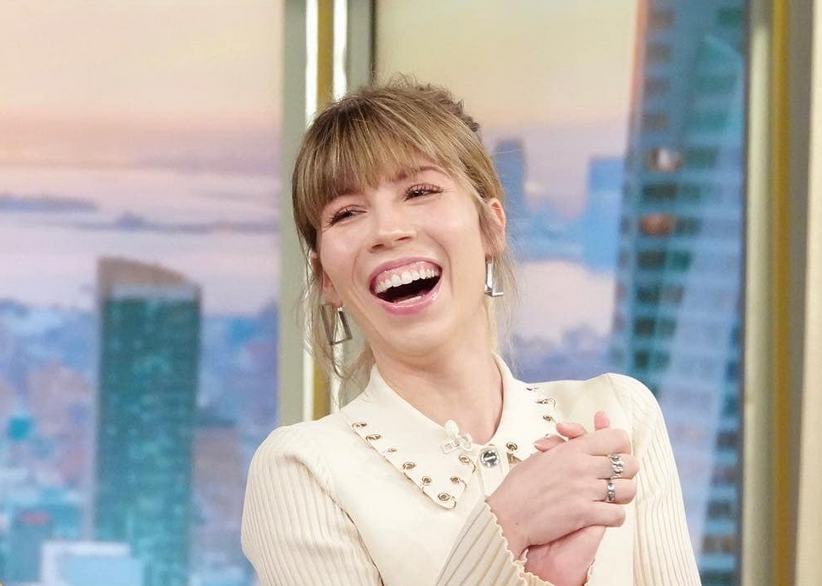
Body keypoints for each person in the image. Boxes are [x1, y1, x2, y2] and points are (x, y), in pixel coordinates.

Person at [241, 81, 701, 586]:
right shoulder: (304, 471)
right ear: (325, 277)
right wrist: (508, 525)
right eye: (347, 213)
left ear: (491, 227)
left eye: (420, 191)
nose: (387, 230)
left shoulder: (619, 415)